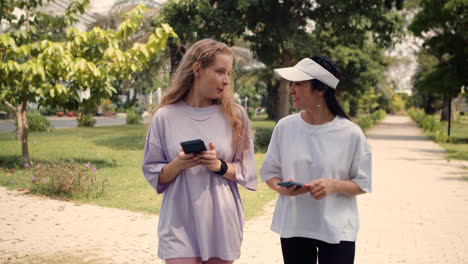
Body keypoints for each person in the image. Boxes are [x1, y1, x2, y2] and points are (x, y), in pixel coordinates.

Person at [142, 38, 257, 264]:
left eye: (229, 74)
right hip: (178, 222)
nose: (225, 81)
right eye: (220, 71)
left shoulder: (236, 116)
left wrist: (220, 166)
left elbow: (248, 171)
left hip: (221, 223)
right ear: (197, 69)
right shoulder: (165, 116)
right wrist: (178, 164)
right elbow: (153, 172)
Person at [260, 56, 372, 264]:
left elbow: (363, 184)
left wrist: (333, 185)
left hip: (338, 229)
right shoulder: (285, 128)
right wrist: (281, 188)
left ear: (320, 88)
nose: (290, 89)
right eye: (291, 84)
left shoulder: (351, 133)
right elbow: (269, 173)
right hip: (294, 225)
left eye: (298, 84)